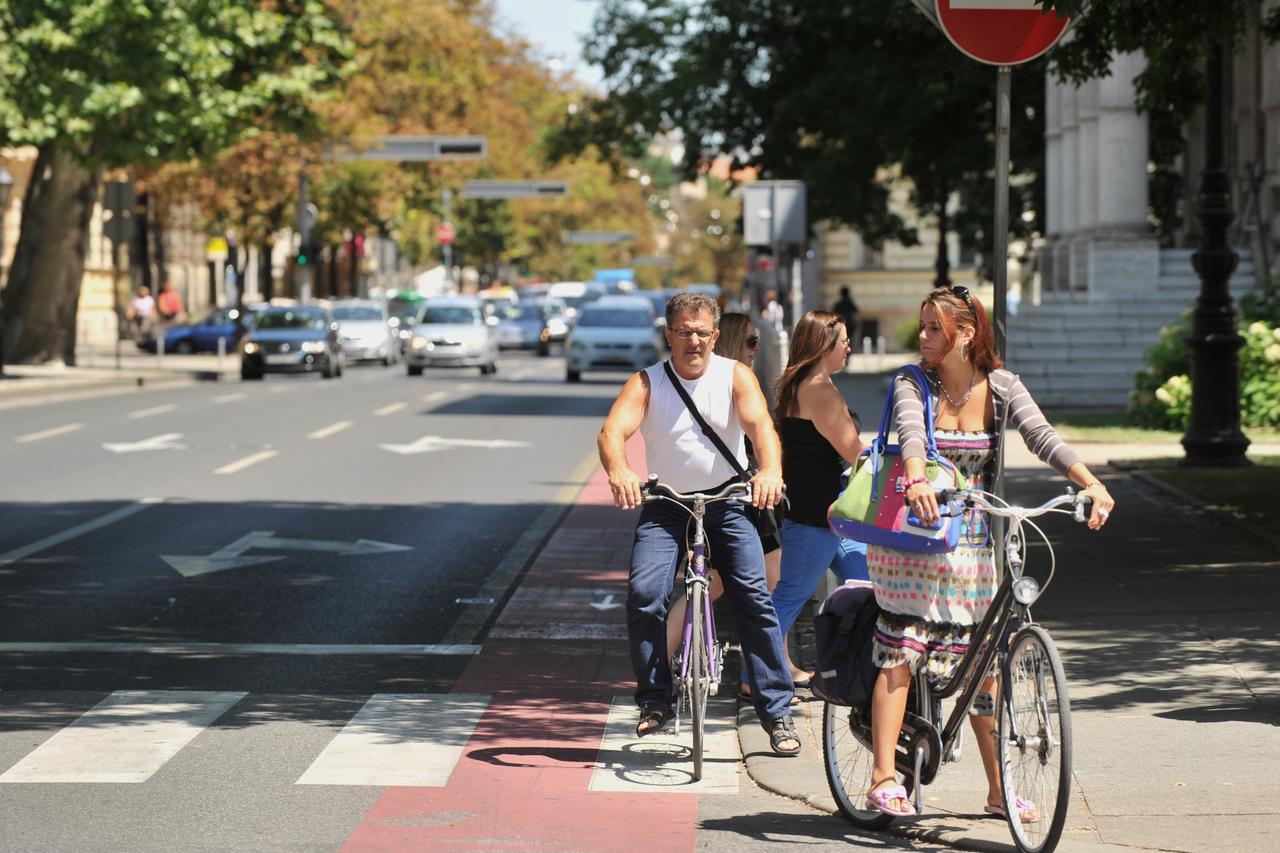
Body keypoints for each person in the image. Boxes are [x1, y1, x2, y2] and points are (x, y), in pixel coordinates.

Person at [864, 285, 1116, 820]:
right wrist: (916, 481)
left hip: (974, 544)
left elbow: (1042, 436)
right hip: (915, 536)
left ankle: (999, 789)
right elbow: (911, 437)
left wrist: (1090, 482)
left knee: (985, 667)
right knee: (905, 648)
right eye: (924, 327)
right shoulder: (914, 382)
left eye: (936, 328)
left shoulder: (1002, 386)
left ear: (967, 333)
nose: (925, 337)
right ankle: (883, 777)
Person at [598, 293, 802, 755]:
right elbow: (612, 432)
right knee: (645, 595)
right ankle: (654, 700)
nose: (694, 340)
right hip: (667, 503)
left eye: (703, 332)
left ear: (714, 335)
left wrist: (770, 470)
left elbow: (761, 428)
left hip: (727, 502)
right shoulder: (646, 383)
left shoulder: (735, 376)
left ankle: (776, 714)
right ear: (669, 335)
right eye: (684, 331)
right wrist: (620, 470)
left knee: (754, 595)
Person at [768, 311, 869, 688]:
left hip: (831, 512)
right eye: (843, 341)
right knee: (791, 597)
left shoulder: (801, 384)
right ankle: (755, 675)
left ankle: (863, 671)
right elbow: (854, 449)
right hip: (818, 516)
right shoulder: (820, 391)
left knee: (868, 586)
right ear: (825, 345)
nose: (849, 347)